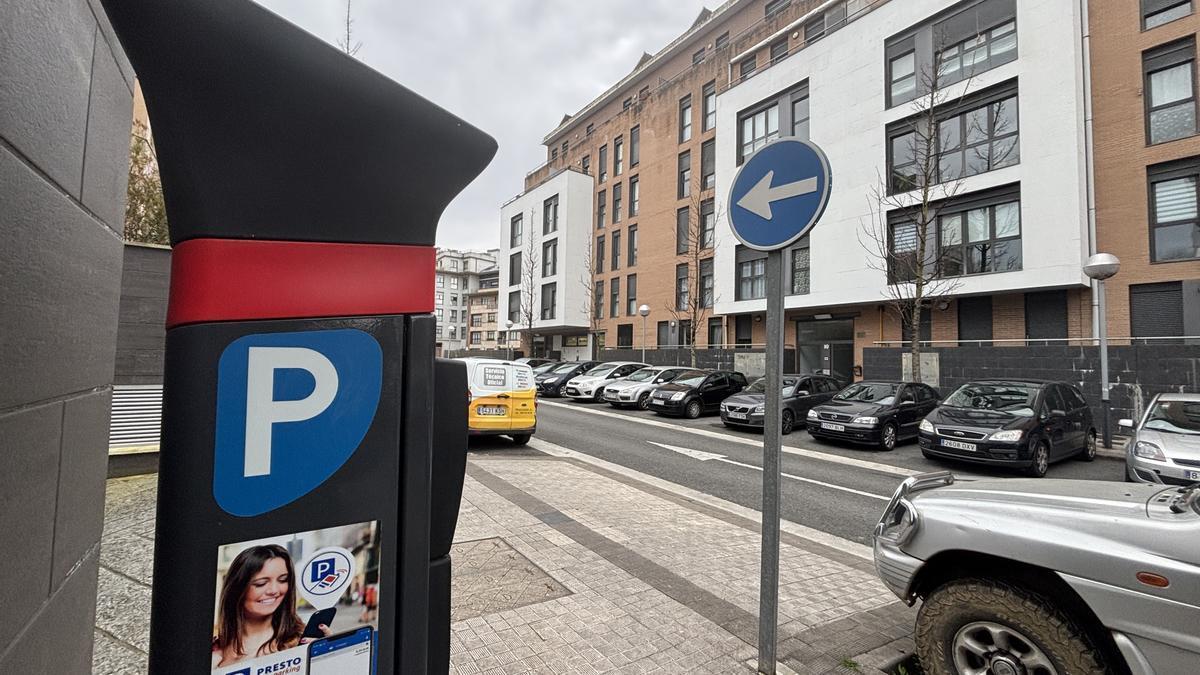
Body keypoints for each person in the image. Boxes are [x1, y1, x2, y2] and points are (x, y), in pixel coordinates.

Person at [211, 544, 329, 669]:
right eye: (261, 583)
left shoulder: (303, 642)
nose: (274, 590)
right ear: (237, 589)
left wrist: (328, 660)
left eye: (283, 580)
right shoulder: (214, 651)